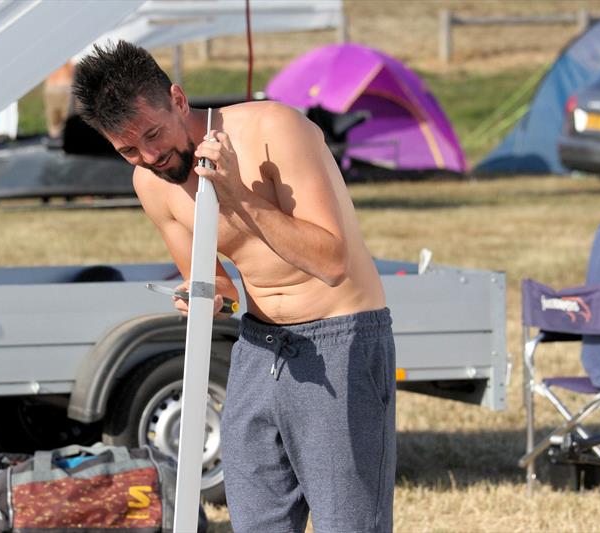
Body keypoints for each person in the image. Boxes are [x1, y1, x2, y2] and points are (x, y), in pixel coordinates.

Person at [72, 41, 396, 533]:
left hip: (340, 336)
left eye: (154, 135)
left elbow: (331, 261)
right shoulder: (151, 183)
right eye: (129, 150)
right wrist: (202, 297)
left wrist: (239, 197)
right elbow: (216, 281)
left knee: (348, 522)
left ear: (178, 100)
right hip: (258, 345)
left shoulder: (274, 129)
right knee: (256, 521)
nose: (151, 156)